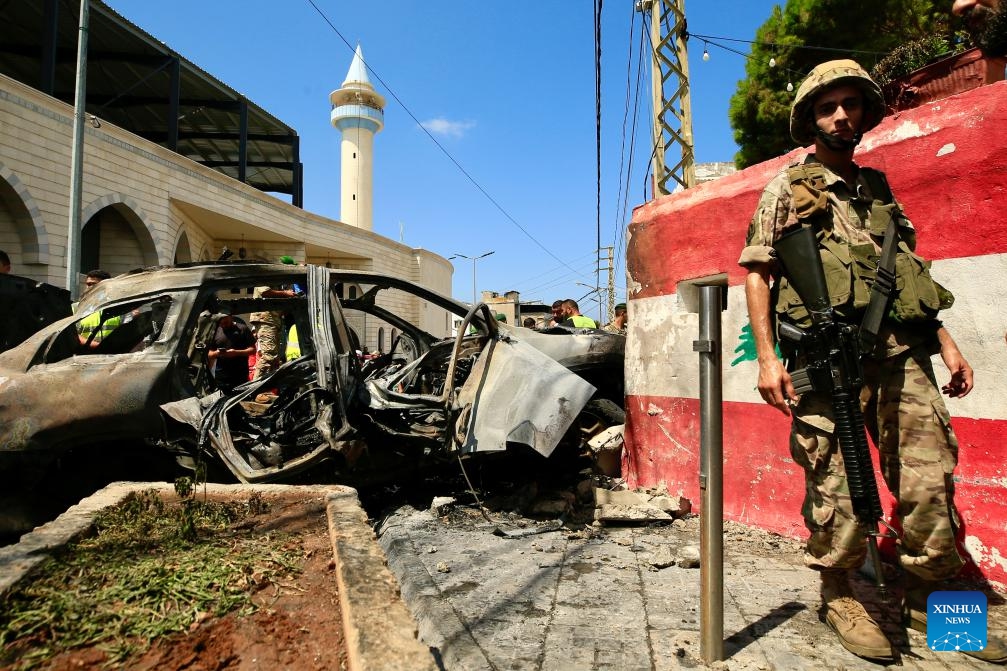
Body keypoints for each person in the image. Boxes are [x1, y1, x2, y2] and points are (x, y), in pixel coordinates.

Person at [739, 59, 1004, 663]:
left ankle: (934, 604)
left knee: (929, 481)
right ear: (810, 119)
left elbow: (906, 276)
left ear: (864, 113)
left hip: (901, 355)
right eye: (828, 107)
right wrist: (766, 358)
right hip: (827, 360)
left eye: (850, 105)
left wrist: (944, 339)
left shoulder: (877, 189)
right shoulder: (787, 189)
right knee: (838, 485)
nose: (840, 116)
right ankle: (841, 593)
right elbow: (758, 271)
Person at [250, 256, 300, 380]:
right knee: (268, 356)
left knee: (274, 358)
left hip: (273, 320)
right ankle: (254, 390)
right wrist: (286, 294)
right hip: (265, 319)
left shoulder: (278, 282)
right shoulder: (265, 275)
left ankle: (263, 390)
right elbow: (264, 292)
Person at [208, 313, 256, 393]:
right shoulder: (215, 331)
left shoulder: (242, 329)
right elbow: (210, 354)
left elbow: (253, 350)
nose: (223, 325)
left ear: (231, 317)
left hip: (240, 374)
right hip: (222, 375)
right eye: (221, 323)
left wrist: (236, 352)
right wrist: (217, 353)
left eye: (226, 322)